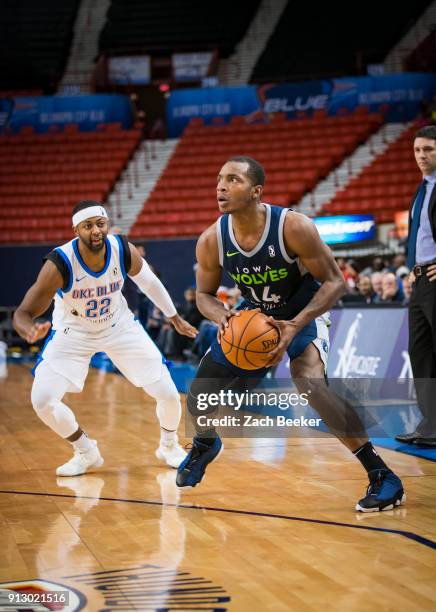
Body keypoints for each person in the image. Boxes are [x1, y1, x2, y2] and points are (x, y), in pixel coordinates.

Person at [176, 156, 405, 512]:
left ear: (256, 191)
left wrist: (295, 325)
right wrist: (223, 317)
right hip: (255, 320)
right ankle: (205, 444)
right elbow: (205, 295)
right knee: (198, 395)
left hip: (305, 314)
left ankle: (382, 474)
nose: (221, 186)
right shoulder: (211, 240)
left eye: (233, 180)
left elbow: (335, 283)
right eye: (219, 179)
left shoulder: (293, 227)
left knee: (310, 383)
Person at [13, 201, 198, 476]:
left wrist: (174, 316)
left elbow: (148, 282)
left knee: (169, 393)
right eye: (88, 226)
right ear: (76, 230)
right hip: (73, 335)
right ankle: (86, 452)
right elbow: (24, 312)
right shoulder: (60, 263)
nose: (96, 231)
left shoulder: (121, 249)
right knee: (42, 400)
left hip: (118, 327)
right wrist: (29, 330)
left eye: (100, 224)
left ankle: (168, 446)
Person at [396, 125, 436, 447]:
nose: (422, 156)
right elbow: (418, 237)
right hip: (421, 280)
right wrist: (412, 268)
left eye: (429, 150)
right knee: (420, 352)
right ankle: (431, 424)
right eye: (418, 150)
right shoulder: (420, 190)